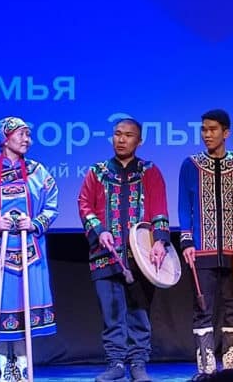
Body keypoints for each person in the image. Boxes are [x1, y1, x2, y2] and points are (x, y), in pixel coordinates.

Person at [78, 118, 171, 382]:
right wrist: (100, 230)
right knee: (112, 314)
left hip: (141, 258)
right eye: (117, 134)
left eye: (128, 135)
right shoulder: (97, 172)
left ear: (139, 141)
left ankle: (138, 363)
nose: (121, 139)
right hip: (105, 255)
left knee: (139, 313)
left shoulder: (149, 171)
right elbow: (84, 204)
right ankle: (116, 363)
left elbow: (159, 208)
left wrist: (160, 241)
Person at [0, 117, 58, 382]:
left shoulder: (38, 172)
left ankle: (22, 363)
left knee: (24, 305)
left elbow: (52, 204)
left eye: (29, 134)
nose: (27, 139)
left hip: (30, 251)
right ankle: (0, 365)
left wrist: (35, 222)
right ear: (5, 138)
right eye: (21, 134)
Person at [178, 109, 233, 376]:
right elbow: (184, 206)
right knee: (203, 309)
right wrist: (187, 241)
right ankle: (206, 369)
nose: (207, 134)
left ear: (226, 133)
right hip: (202, 250)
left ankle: (232, 369)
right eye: (203, 129)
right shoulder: (191, 165)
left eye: (212, 129)